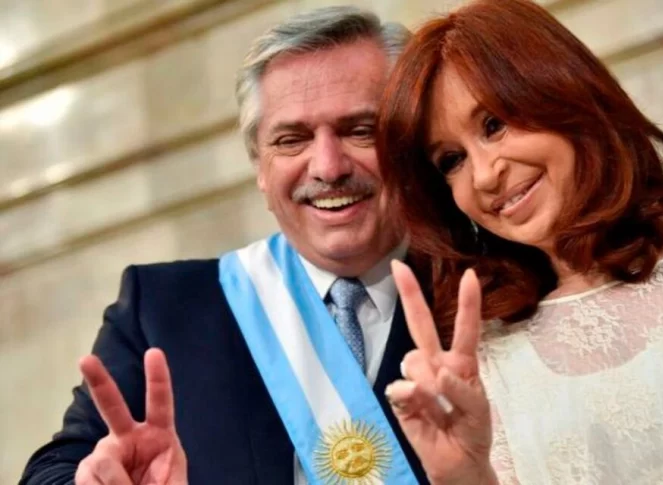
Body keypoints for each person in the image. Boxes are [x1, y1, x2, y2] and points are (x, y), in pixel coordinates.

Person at [19, 6, 432, 485]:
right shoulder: (162, 310)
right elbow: (50, 472)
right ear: (260, 168)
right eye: (291, 140)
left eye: (360, 130)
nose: (327, 167)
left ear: (411, 140)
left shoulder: (485, 288)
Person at [376, 0, 663, 484]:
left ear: (563, 89)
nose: (484, 175)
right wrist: (465, 476)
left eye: (494, 125)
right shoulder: (485, 365)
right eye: (452, 160)